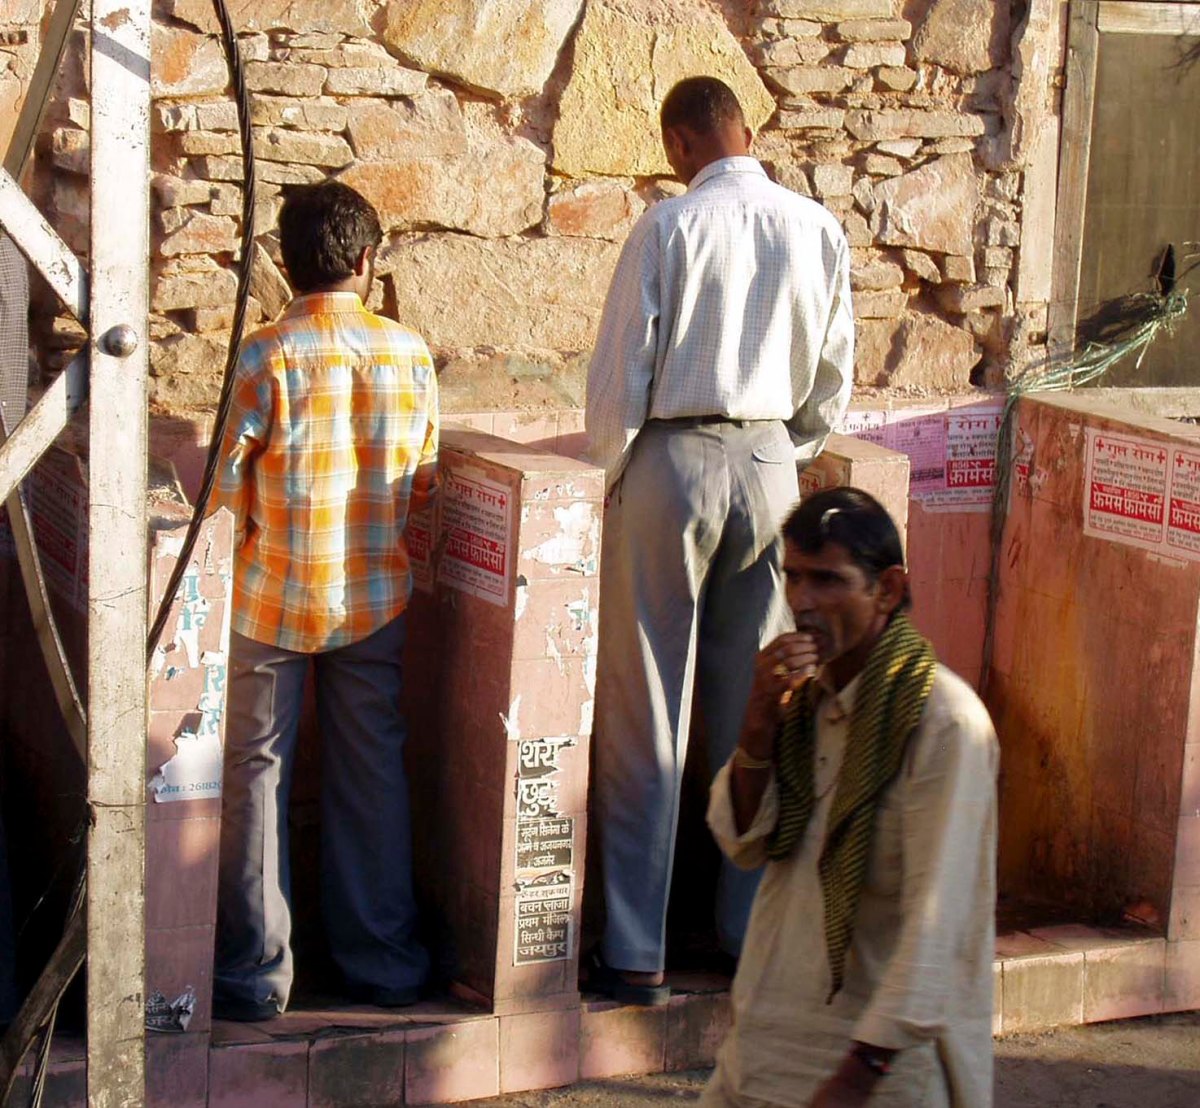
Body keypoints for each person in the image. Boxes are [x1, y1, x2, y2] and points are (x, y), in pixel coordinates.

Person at [584, 76, 854, 1002]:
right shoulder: (816, 228)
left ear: (680, 142)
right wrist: (784, 450)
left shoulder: (669, 227)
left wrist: (615, 473)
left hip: (674, 456)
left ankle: (634, 950)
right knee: (760, 704)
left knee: (646, 705)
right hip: (774, 461)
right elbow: (833, 374)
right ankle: (744, 934)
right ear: (745, 127)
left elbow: (623, 375)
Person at [211, 181, 438, 1021]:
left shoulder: (264, 355)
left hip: (269, 597)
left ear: (285, 261)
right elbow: (421, 481)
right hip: (373, 593)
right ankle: (382, 963)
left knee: (257, 776)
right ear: (367, 262)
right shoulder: (409, 353)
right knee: (371, 774)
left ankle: (255, 976)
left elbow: (223, 488)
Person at [701, 487, 998, 1108]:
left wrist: (857, 1075)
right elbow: (745, 843)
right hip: (762, 1050)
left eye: (828, 582)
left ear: (886, 590)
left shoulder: (944, 723)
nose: (803, 604)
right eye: (794, 579)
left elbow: (938, 920)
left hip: (878, 1074)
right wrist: (757, 724)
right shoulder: (801, 702)